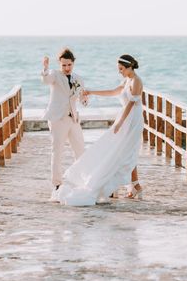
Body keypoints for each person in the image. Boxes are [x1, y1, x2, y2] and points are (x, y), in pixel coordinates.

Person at [55, 54, 144, 206]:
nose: (119, 72)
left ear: (129, 67)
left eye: (121, 69)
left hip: (132, 120)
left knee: (127, 151)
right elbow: (113, 92)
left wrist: (119, 123)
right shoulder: (127, 80)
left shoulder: (136, 81)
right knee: (124, 151)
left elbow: (130, 104)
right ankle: (135, 186)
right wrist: (92, 92)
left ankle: (133, 186)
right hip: (125, 118)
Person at [40, 47, 89, 201]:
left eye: (69, 65)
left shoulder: (78, 79)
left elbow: (82, 99)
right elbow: (45, 80)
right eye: (64, 65)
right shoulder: (54, 75)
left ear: (73, 63)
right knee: (58, 151)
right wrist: (45, 68)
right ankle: (56, 184)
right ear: (59, 64)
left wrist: (85, 99)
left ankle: (83, 180)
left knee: (80, 150)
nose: (67, 68)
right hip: (57, 119)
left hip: (73, 118)